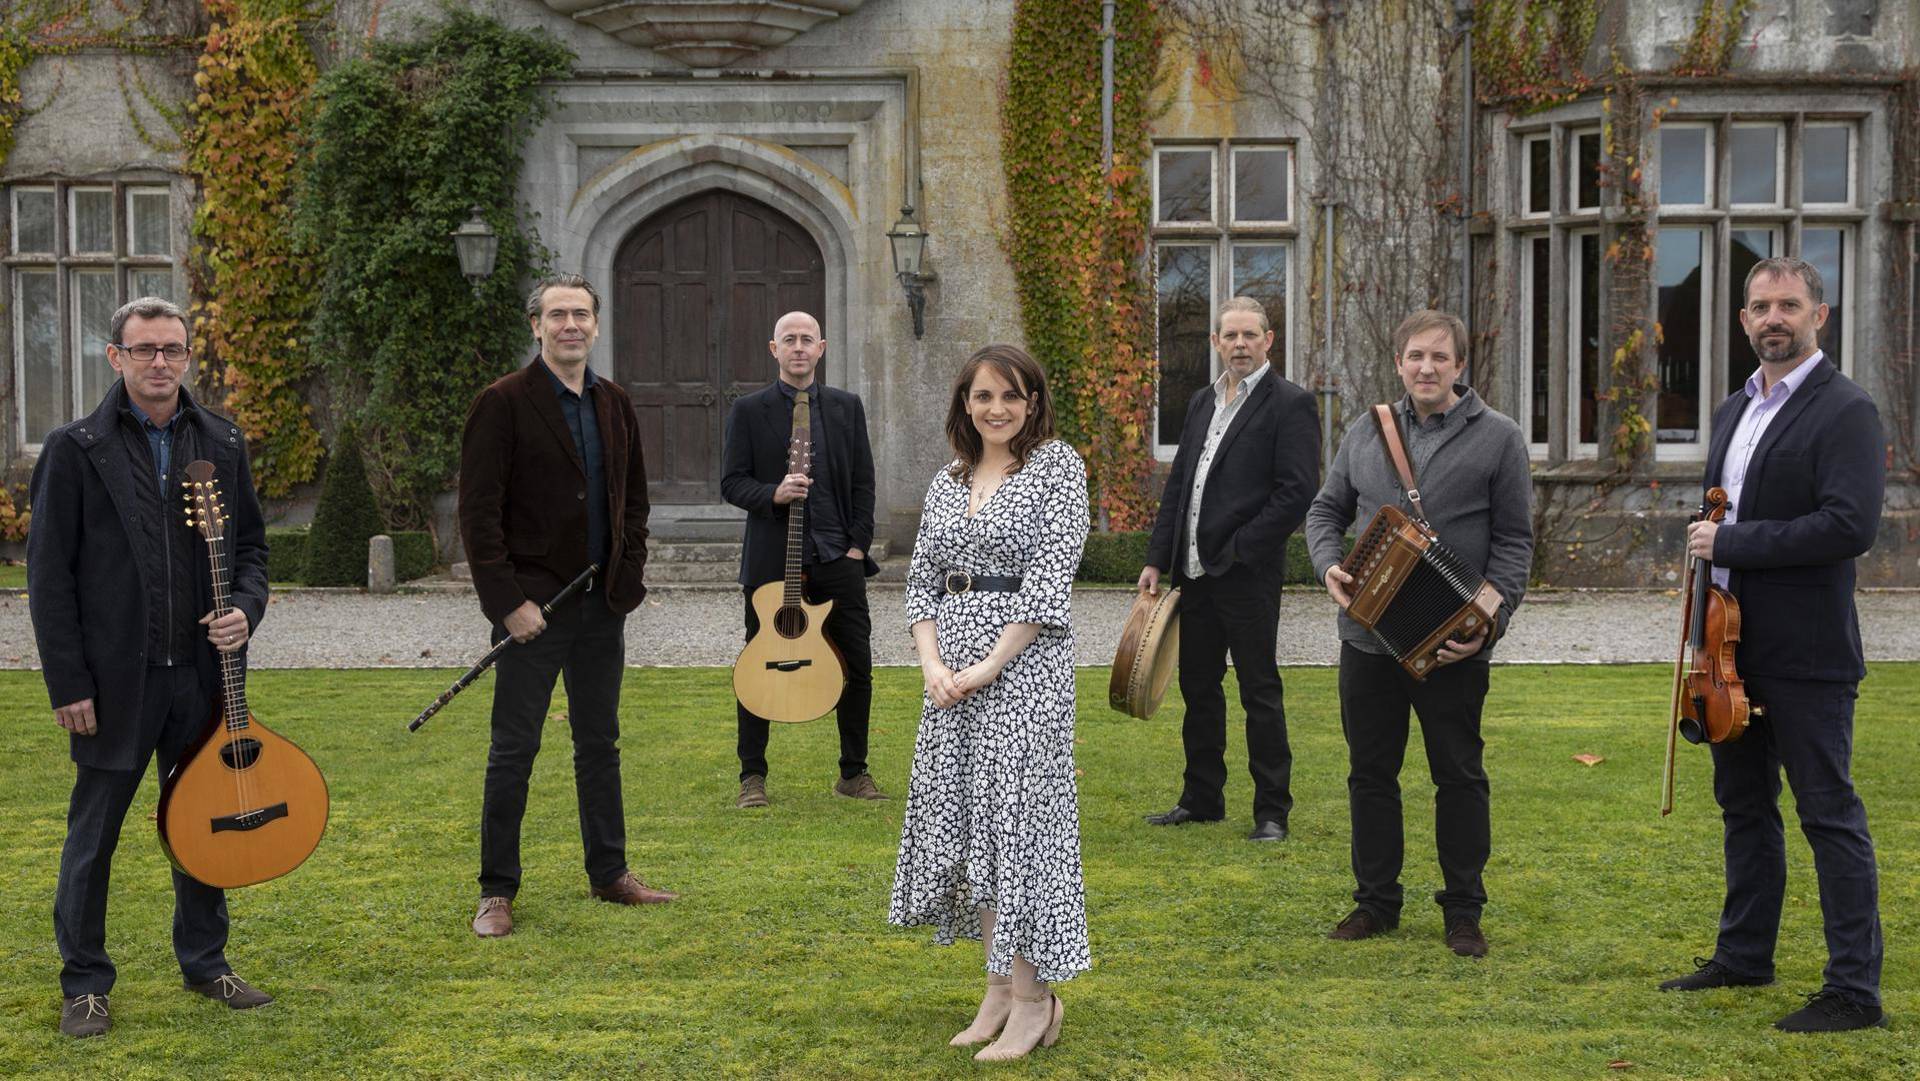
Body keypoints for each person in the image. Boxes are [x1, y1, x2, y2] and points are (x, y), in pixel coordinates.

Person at [28, 297, 271, 1037]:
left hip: (200, 679)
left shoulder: (222, 441)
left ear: (189, 356)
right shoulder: (75, 448)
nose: (160, 362)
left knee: (203, 826)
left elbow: (252, 551)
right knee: (93, 837)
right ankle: (85, 984)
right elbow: (49, 576)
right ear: (117, 357)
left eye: (172, 349)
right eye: (144, 349)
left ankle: (206, 962)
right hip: (112, 684)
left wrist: (245, 609)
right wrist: (69, 682)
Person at [1659, 257, 1887, 1032]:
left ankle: (1853, 989)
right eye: (1760, 306)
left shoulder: (1846, 409)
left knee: (1829, 814)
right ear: (1744, 319)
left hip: (1807, 653)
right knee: (1745, 807)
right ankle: (1744, 954)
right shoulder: (1733, 409)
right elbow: (1717, 518)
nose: (1773, 318)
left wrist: (1732, 541)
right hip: (1728, 649)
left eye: (1789, 304)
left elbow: (1849, 525)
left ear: (1819, 315)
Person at [1304, 308, 1532, 958]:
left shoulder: (1500, 437)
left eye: (1439, 357)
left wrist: (1490, 622)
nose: (1426, 368)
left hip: (1451, 645)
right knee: (1370, 774)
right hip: (1367, 638)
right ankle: (1376, 903)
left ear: (1460, 364)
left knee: (1458, 776)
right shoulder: (1366, 429)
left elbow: (1515, 542)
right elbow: (1325, 509)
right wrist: (1327, 565)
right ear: (1399, 363)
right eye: (1415, 357)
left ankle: (1463, 910)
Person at [458, 273, 674, 938]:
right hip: (532, 611)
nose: (570, 325)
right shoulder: (502, 402)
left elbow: (634, 501)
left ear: (596, 325)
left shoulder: (615, 403)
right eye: (557, 315)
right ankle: (497, 890)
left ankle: (610, 872)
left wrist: (627, 579)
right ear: (537, 326)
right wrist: (508, 603)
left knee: (599, 743)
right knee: (513, 749)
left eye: (581, 314)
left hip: (601, 607)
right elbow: (478, 515)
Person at [889, 345, 1090, 1062]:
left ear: (1033, 402)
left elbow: (1048, 581)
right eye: (983, 396)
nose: (997, 408)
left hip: (1025, 669)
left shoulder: (1057, 468)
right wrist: (933, 664)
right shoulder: (948, 478)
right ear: (965, 404)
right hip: (951, 676)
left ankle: (1036, 1000)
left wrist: (987, 666)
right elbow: (921, 580)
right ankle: (999, 989)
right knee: (973, 825)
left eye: (1011, 396)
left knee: (1020, 827)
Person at [1139, 296, 1319, 842]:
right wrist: (1156, 558)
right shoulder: (1201, 401)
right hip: (1192, 575)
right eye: (1230, 336)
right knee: (1198, 688)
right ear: (1216, 342)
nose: (1240, 344)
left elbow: (1296, 493)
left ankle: (1272, 812)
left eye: (1250, 335)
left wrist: (1240, 550)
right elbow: (1181, 485)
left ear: (1268, 341)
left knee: (1258, 691)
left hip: (1247, 576)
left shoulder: (1291, 404)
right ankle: (1202, 799)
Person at [720, 311, 884, 807]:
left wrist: (857, 546)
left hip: (837, 556)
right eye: (788, 340)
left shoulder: (846, 407)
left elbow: (863, 481)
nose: (798, 347)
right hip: (773, 564)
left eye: (806, 339)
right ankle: (752, 777)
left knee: (857, 666)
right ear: (774, 349)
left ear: (821, 348)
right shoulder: (748, 410)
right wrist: (773, 492)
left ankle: (853, 773)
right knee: (757, 666)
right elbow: (732, 482)